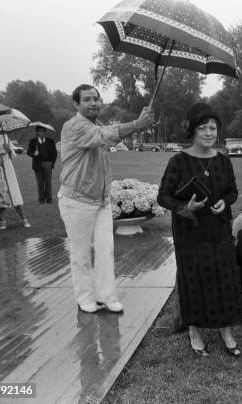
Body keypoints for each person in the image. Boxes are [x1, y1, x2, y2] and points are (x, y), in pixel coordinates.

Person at [58, 84, 154, 314]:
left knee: (105, 249)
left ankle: (107, 296)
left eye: (96, 99)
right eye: (87, 99)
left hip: (101, 201)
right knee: (80, 254)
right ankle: (85, 298)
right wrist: (137, 124)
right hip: (77, 200)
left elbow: (106, 136)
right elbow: (102, 136)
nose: (93, 103)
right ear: (76, 104)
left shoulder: (95, 125)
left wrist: (137, 126)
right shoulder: (74, 126)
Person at [157, 103, 242, 357]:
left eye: (213, 128)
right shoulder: (179, 161)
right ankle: (194, 330)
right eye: (203, 127)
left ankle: (225, 330)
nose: (208, 132)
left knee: (224, 278)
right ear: (193, 131)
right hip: (190, 233)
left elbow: (232, 191)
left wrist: (224, 202)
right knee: (194, 280)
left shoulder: (224, 161)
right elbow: (163, 196)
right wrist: (186, 206)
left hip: (219, 230)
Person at [27, 125, 58, 204]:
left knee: (48, 182)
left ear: (45, 132)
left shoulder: (50, 141)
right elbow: (28, 152)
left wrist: (52, 163)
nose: (41, 132)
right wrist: (34, 154)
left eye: (43, 131)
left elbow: (54, 153)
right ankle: (41, 199)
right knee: (40, 182)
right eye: (39, 131)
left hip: (48, 163)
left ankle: (49, 199)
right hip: (37, 164)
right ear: (37, 132)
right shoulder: (33, 141)